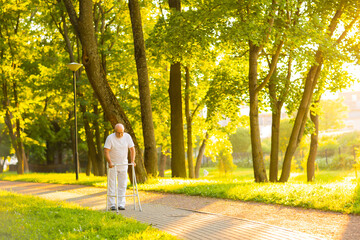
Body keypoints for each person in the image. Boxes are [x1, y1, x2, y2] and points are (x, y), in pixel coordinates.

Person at [104, 123, 136, 211]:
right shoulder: (110, 138)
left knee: (123, 185)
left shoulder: (127, 137)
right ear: (115, 131)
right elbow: (106, 151)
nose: (120, 134)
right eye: (118, 133)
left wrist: (132, 161)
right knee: (112, 185)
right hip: (113, 165)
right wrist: (109, 162)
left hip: (124, 165)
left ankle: (121, 204)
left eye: (122, 132)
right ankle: (112, 204)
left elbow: (132, 149)